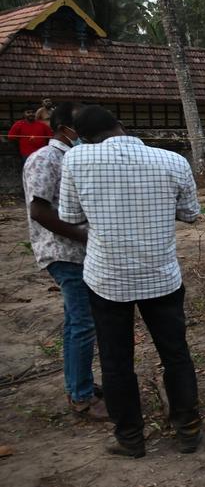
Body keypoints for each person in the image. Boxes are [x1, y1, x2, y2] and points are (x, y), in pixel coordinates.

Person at [59, 105, 202, 458]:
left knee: (115, 360)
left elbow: (71, 217)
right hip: (161, 277)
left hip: (107, 279)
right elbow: (191, 214)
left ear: (84, 138)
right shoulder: (171, 161)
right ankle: (187, 429)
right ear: (120, 126)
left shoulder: (76, 161)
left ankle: (130, 438)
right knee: (176, 354)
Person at [22, 102, 105, 421]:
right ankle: (82, 397)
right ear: (64, 129)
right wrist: (84, 236)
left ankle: (79, 385)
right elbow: (39, 211)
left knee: (76, 323)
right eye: (79, 126)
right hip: (63, 252)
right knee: (84, 323)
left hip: (77, 252)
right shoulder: (45, 159)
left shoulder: (72, 158)